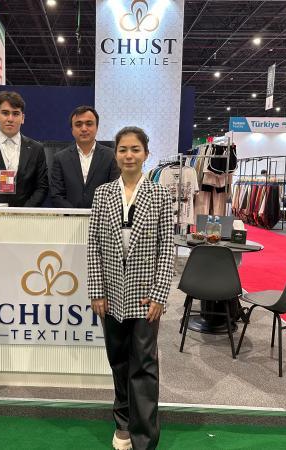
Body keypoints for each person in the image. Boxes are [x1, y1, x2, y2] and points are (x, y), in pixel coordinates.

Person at [87, 126, 174, 450]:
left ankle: (144, 437)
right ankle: (122, 422)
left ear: (146, 154)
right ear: (116, 154)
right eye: (123, 149)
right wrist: (97, 291)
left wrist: (159, 294)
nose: (129, 155)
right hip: (110, 297)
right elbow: (93, 246)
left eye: (135, 149)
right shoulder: (102, 194)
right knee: (119, 362)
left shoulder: (160, 195)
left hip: (145, 297)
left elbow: (167, 248)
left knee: (145, 365)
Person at [0, 90, 48, 206]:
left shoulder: (36, 149)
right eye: (5, 113)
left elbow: (42, 187)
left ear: (22, 118)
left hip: (25, 214)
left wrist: (25, 211)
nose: (10, 118)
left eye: (15, 114)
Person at [50, 106, 120, 208]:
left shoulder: (111, 156)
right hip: (70, 216)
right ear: (72, 130)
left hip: (102, 215)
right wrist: (74, 214)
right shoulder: (60, 158)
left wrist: (97, 213)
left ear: (97, 127)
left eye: (89, 124)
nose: (84, 129)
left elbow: (115, 192)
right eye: (78, 124)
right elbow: (57, 195)